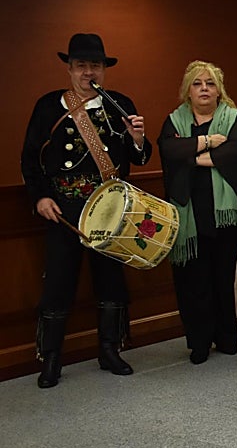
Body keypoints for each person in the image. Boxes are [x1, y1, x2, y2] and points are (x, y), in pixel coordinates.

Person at [21, 33, 152, 387]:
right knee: (59, 282)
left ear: (104, 69)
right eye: (81, 66)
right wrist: (40, 197)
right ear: (69, 68)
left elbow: (139, 158)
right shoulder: (48, 106)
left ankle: (110, 349)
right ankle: (51, 359)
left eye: (95, 65)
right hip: (64, 209)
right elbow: (30, 159)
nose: (88, 72)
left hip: (110, 209)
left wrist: (137, 138)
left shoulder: (119, 103)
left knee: (110, 279)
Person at [160, 61, 237, 365]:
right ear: (188, 89)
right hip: (187, 213)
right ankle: (198, 341)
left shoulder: (233, 118)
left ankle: (226, 337)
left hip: (223, 215)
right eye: (197, 83)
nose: (204, 89)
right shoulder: (174, 120)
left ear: (219, 89)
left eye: (210, 84)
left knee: (222, 278)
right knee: (193, 280)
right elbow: (169, 151)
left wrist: (192, 157)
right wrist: (208, 143)